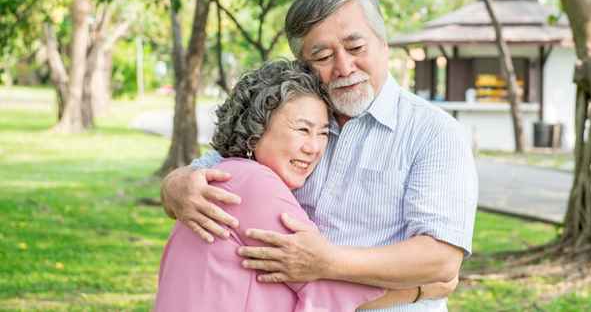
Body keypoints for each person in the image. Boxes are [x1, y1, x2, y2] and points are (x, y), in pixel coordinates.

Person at [161, 0, 479, 311]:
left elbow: (440, 259)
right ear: (304, 65)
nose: (344, 67)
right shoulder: (288, 118)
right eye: (323, 56)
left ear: (384, 45)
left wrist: (328, 261)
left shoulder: (434, 132)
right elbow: (201, 177)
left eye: (356, 47)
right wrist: (175, 186)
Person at [155, 60, 456, 311]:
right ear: (256, 129)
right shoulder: (255, 185)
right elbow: (326, 290)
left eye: (323, 133)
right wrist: (425, 288)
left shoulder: (221, 176)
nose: (314, 148)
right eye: (302, 130)